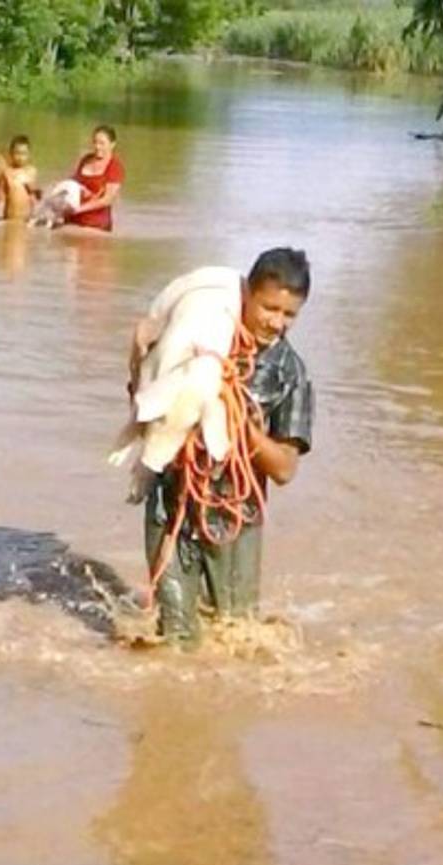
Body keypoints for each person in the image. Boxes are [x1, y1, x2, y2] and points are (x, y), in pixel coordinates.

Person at [127, 248, 314, 647]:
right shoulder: (197, 336)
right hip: (170, 507)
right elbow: (144, 415)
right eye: (269, 308)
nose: (277, 322)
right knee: (175, 639)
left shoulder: (291, 373)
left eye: (289, 314)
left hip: (235, 518)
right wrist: (137, 357)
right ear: (246, 294)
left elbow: (284, 469)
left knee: (235, 637)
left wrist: (242, 427)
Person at [65, 125, 125, 232]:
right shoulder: (86, 159)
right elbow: (73, 183)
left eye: (102, 143)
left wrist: (79, 209)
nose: (97, 147)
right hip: (72, 220)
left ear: (112, 144)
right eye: (95, 142)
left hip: (95, 225)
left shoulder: (115, 166)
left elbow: (107, 200)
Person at [0, 134, 40, 221]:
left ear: (29, 155)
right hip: (10, 219)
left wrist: (36, 190)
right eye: (17, 153)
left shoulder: (32, 172)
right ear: (10, 154)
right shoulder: (6, 173)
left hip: (27, 220)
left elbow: (38, 197)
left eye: (24, 154)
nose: (20, 157)